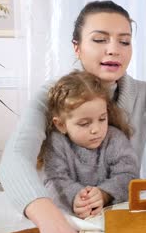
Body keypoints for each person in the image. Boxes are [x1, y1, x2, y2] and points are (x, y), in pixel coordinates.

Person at [0, 0, 146, 233]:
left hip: (123, 225)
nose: (114, 50)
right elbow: (14, 160)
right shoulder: (52, 96)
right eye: (100, 40)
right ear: (76, 48)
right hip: (64, 221)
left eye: (124, 41)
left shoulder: (145, 95)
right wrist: (51, 222)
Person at [39, 70, 139, 219]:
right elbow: (53, 180)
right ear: (61, 125)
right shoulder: (56, 142)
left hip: (113, 218)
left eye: (102, 119)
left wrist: (104, 194)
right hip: (70, 220)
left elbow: (129, 175)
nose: (96, 130)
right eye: (84, 123)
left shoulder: (115, 138)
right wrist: (76, 198)